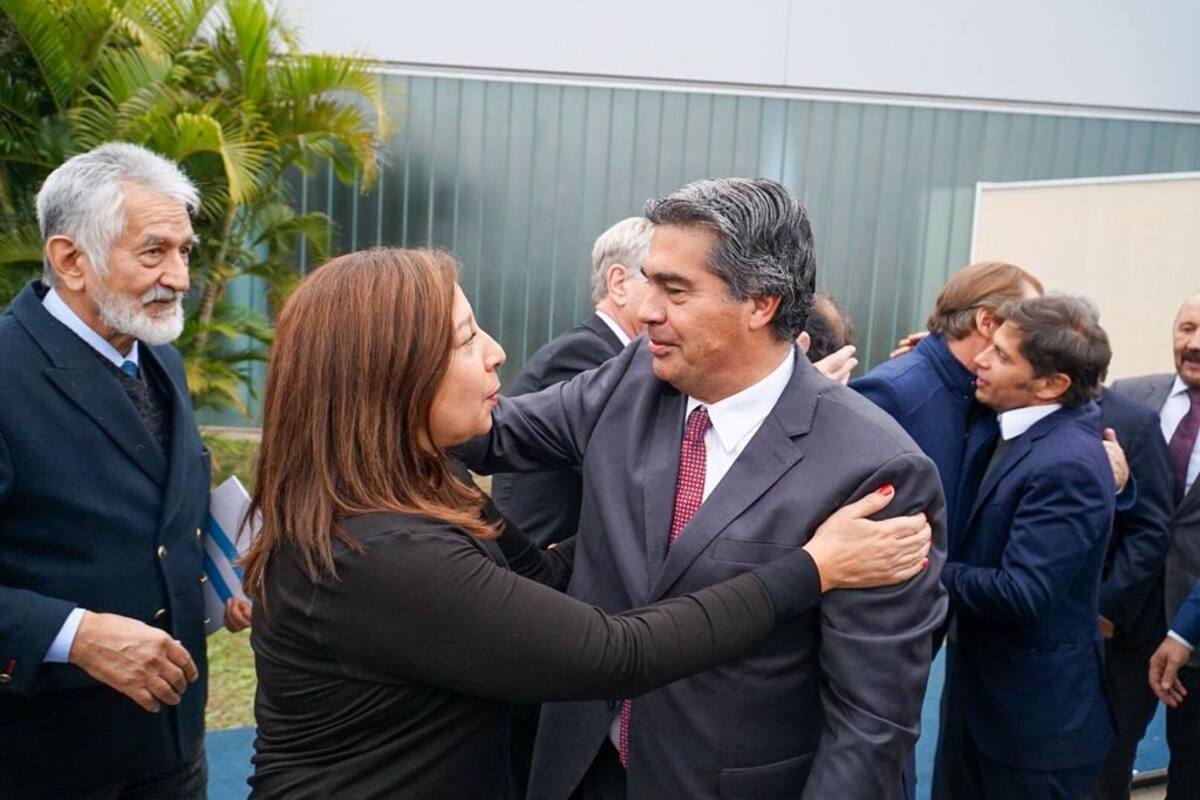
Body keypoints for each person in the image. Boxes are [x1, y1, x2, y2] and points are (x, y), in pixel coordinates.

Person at [242, 247, 934, 800]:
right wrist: (810, 566)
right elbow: (613, 654)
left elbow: (543, 573)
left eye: (677, 288)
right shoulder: (385, 550)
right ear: (387, 376)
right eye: (464, 338)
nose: (496, 351)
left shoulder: (419, 490)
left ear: (761, 304)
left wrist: (678, 524)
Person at [461, 178, 948, 799]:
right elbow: (492, 435)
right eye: (647, 282)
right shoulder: (631, 377)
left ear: (760, 303)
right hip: (581, 771)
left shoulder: (874, 469)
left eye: (675, 290)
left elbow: (871, 719)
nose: (646, 310)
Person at [0, 142, 250, 798]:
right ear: (70, 260)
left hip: (173, 751)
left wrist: (227, 572)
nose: (180, 277)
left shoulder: (157, 356)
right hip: (45, 767)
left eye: (185, 251)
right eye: (154, 251)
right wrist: (73, 635)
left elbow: (159, 511)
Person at [944, 294, 1117, 798]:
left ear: (1051, 384)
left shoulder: (1067, 465)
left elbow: (1023, 592)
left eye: (1001, 355)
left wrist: (921, 565)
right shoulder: (1016, 428)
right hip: (995, 708)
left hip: (1035, 733)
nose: (980, 360)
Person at [492, 216, 653, 547]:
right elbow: (626, 479)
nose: (668, 303)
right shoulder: (584, 356)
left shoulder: (601, 351)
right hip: (545, 574)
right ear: (619, 283)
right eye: (660, 284)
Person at [1114, 289, 1200, 798]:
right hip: (1124, 618)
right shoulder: (1127, 396)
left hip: (1196, 629)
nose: (1195, 343)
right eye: (1187, 328)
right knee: (1105, 756)